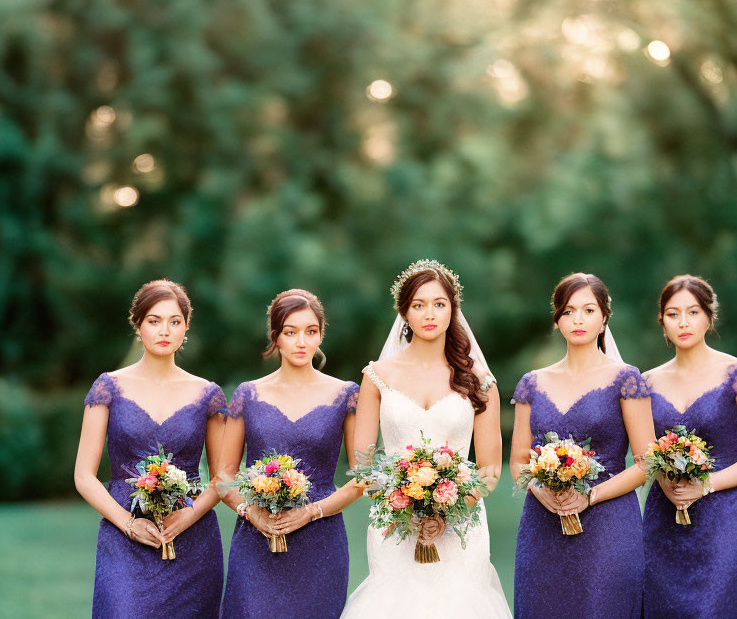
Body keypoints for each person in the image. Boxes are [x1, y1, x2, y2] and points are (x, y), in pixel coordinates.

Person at [341, 259, 512, 618]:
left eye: (439, 304)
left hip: (462, 526)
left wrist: (446, 510)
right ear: (403, 312)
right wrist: (406, 507)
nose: (429, 313)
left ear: (453, 309)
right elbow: (362, 464)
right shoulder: (376, 377)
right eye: (418, 305)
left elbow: (491, 469)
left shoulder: (478, 381)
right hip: (394, 526)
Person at [74, 279, 226, 618]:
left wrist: (188, 515)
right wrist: (128, 523)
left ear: (186, 326)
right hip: (123, 540)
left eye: (174, 321)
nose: (165, 330)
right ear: (138, 324)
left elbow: (222, 478)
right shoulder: (108, 387)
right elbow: (84, 475)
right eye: (154, 320)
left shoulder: (208, 394)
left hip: (193, 544)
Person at [509, 272, 653, 619]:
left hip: (609, 527)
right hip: (542, 527)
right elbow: (517, 460)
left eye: (589, 310)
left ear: (604, 317)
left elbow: (647, 462)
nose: (578, 319)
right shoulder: (532, 383)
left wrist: (590, 495)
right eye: (569, 310)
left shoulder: (626, 379)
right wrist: (540, 491)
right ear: (557, 319)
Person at [218, 289, 359, 619]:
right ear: (275, 337)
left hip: (321, 544)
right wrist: (253, 513)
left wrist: (311, 512)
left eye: (310, 331)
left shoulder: (346, 394)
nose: (301, 342)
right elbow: (223, 478)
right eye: (290, 332)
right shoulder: (247, 395)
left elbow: (362, 479)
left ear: (321, 335)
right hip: (255, 541)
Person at [642, 275, 737, 618]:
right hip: (662, 521)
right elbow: (643, 452)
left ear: (709, 317)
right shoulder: (646, 382)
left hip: (725, 519)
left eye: (693, 312)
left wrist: (706, 484)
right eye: (673, 314)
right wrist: (665, 482)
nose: (683, 322)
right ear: (662, 323)